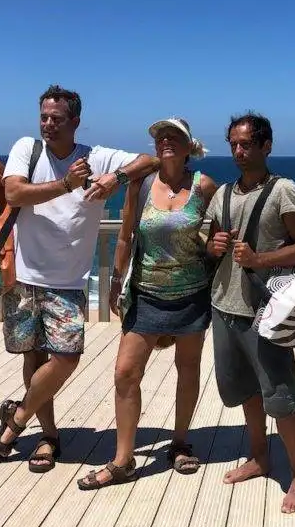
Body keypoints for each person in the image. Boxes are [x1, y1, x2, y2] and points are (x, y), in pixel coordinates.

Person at [0, 84, 158, 472]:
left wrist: (114, 178)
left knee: (66, 357)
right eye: (44, 117)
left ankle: (17, 418)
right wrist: (66, 184)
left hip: (68, 280)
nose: (48, 124)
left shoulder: (96, 157)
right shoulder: (26, 149)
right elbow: (14, 193)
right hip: (25, 275)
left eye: (57, 119)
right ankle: (48, 438)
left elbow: (147, 160)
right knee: (34, 356)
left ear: (75, 122)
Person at [77, 117, 217, 489]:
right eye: (161, 137)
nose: (166, 141)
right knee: (125, 372)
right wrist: (115, 279)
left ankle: (181, 442)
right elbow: (125, 236)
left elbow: (218, 235)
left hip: (192, 294)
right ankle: (123, 460)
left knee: (187, 369)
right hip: (146, 294)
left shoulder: (204, 186)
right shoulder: (140, 184)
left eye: (174, 137)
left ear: (189, 146)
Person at [206, 111, 295, 513]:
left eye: (247, 144)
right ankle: (259, 457)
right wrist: (212, 246)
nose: (239, 151)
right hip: (224, 306)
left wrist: (261, 258)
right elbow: (209, 245)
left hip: (265, 312)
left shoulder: (284, 190)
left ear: (266, 146)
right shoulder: (222, 194)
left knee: (281, 397)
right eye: (234, 144)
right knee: (245, 392)